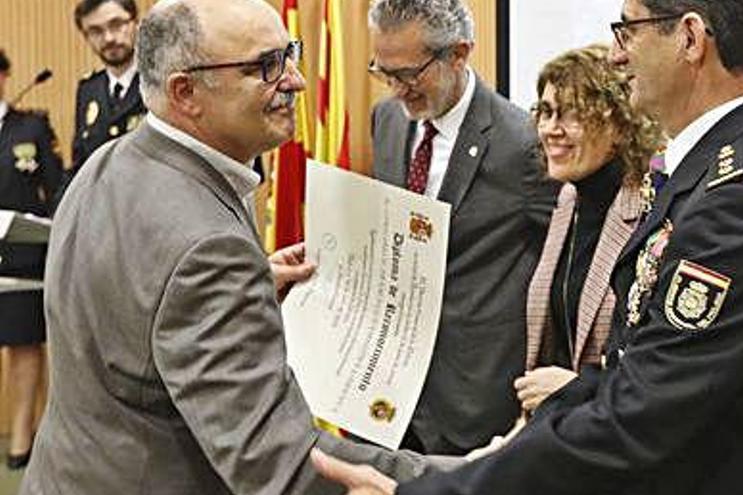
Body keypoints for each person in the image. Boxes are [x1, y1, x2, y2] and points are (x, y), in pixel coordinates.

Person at [313, 0, 743, 493]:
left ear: (691, 37)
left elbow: (639, 414)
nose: (615, 53)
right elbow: (628, 370)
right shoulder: (705, 174)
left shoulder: (740, 202)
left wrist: (445, 489)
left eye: (627, 29)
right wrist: (510, 447)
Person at [19, 1, 439, 492]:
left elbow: (138, 301)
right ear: (186, 92)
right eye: (265, 66)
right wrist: (472, 475)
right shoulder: (208, 249)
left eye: (290, 55)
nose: (296, 81)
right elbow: (285, 467)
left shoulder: (109, 161)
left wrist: (249, 284)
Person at [368, 0, 559, 455]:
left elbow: (567, 266)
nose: (397, 90)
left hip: (474, 401)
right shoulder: (388, 120)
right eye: (384, 72)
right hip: (391, 396)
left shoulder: (524, 142)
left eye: (410, 74)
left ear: (459, 53)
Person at [514, 44, 662, 414]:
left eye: (571, 115)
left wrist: (577, 389)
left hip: (612, 435)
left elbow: (657, 372)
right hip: (559, 433)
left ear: (619, 124)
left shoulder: (653, 211)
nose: (550, 129)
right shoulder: (568, 199)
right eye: (545, 112)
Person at [0, 49, 63, 471]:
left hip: (21, 257)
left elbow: (57, 187)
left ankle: (22, 437)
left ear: (4, 75)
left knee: (24, 345)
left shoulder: (32, 126)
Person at [71, 0, 147, 175]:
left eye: (117, 25)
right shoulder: (88, 89)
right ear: (86, 36)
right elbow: (80, 164)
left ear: (136, 23)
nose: (109, 38)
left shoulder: (159, 79)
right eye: (95, 31)